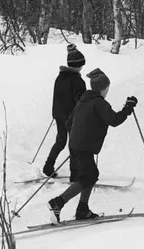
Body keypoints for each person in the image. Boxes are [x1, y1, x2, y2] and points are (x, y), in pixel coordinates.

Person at [48, 69, 137, 223]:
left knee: (90, 176)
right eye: (107, 88)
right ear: (103, 88)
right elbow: (114, 120)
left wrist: (81, 133)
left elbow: (69, 123)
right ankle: (58, 203)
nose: (108, 90)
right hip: (85, 147)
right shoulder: (99, 103)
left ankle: (83, 209)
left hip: (76, 145)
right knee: (89, 177)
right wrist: (128, 108)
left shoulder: (83, 101)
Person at [42, 44, 87, 178]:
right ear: (78, 65)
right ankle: (75, 173)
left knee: (61, 141)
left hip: (59, 115)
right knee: (74, 144)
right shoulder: (78, 81)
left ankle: (48, 166)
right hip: (72, 117)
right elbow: (81, 102)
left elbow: (57, 96)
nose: (82, 68)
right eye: (81, 65)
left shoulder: (60, 77)